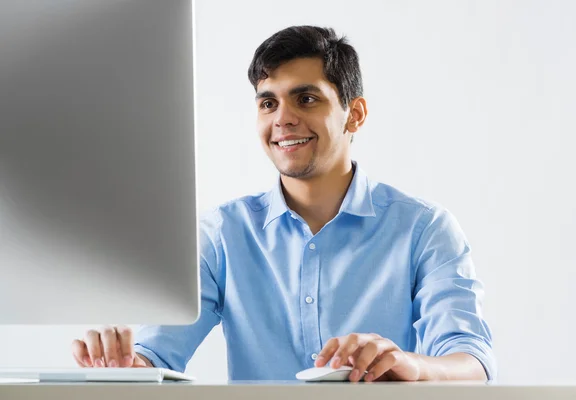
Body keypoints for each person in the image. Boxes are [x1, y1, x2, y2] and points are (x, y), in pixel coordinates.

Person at [71, 25, 496, 382]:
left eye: (306, 99)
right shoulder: (222, 233)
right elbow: (158, 355)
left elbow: (472, 360)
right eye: (268, 102)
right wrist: (127, 364)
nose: (283, 119)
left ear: (355, 114)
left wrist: (409, 365)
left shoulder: (423, 228)